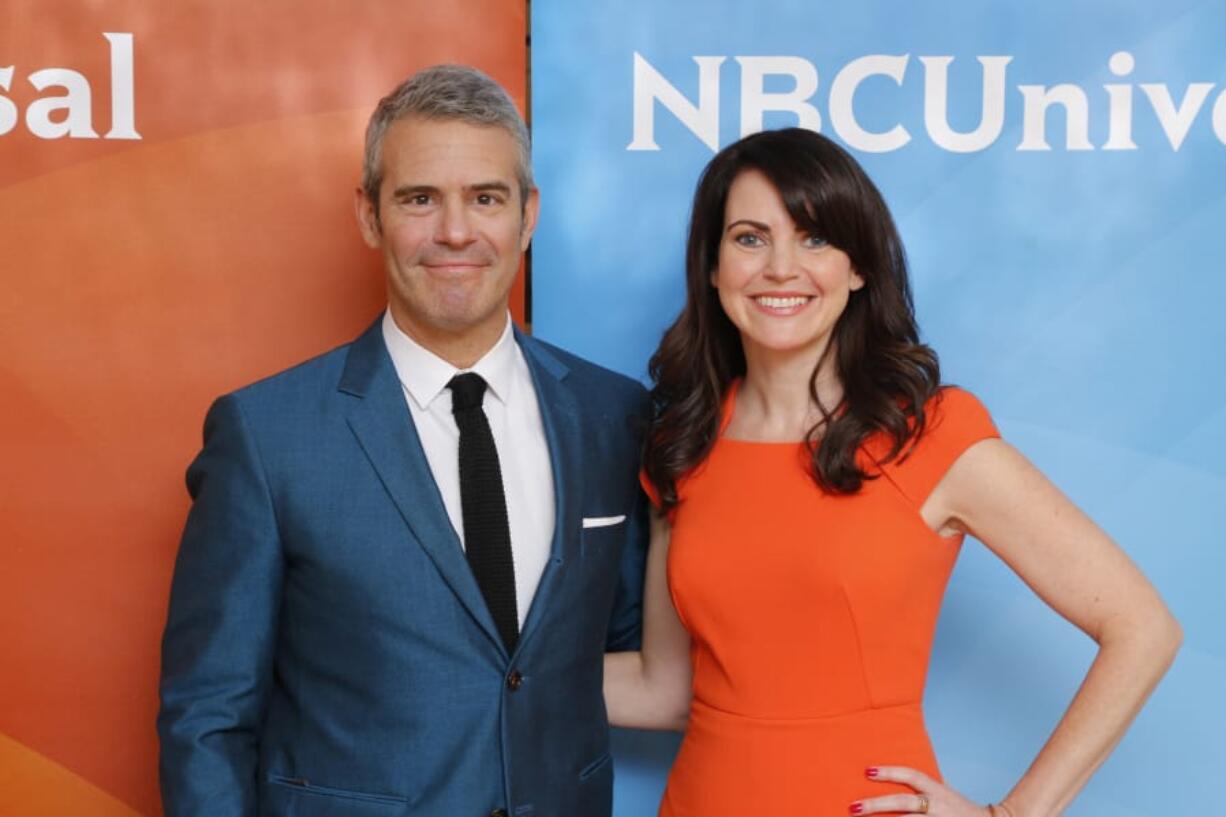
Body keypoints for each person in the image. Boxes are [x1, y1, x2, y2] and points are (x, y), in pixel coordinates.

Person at [603, 127, 1181, 816]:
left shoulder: (930, 435)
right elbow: (663, 689)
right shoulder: (684, 445)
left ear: (858, 267)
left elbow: (1143, 626)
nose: (781, 267)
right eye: (750, 238)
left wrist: (1014, 813)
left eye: (815, 238)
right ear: (712, 266)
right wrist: (480, 670)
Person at [158, 64, 649, 817]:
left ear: (528, 215)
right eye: (421, 198)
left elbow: (622, 643)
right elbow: (207, 719)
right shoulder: (266, 435)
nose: (456, 231)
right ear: (368, 214)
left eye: (485, 197)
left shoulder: (612, 417)